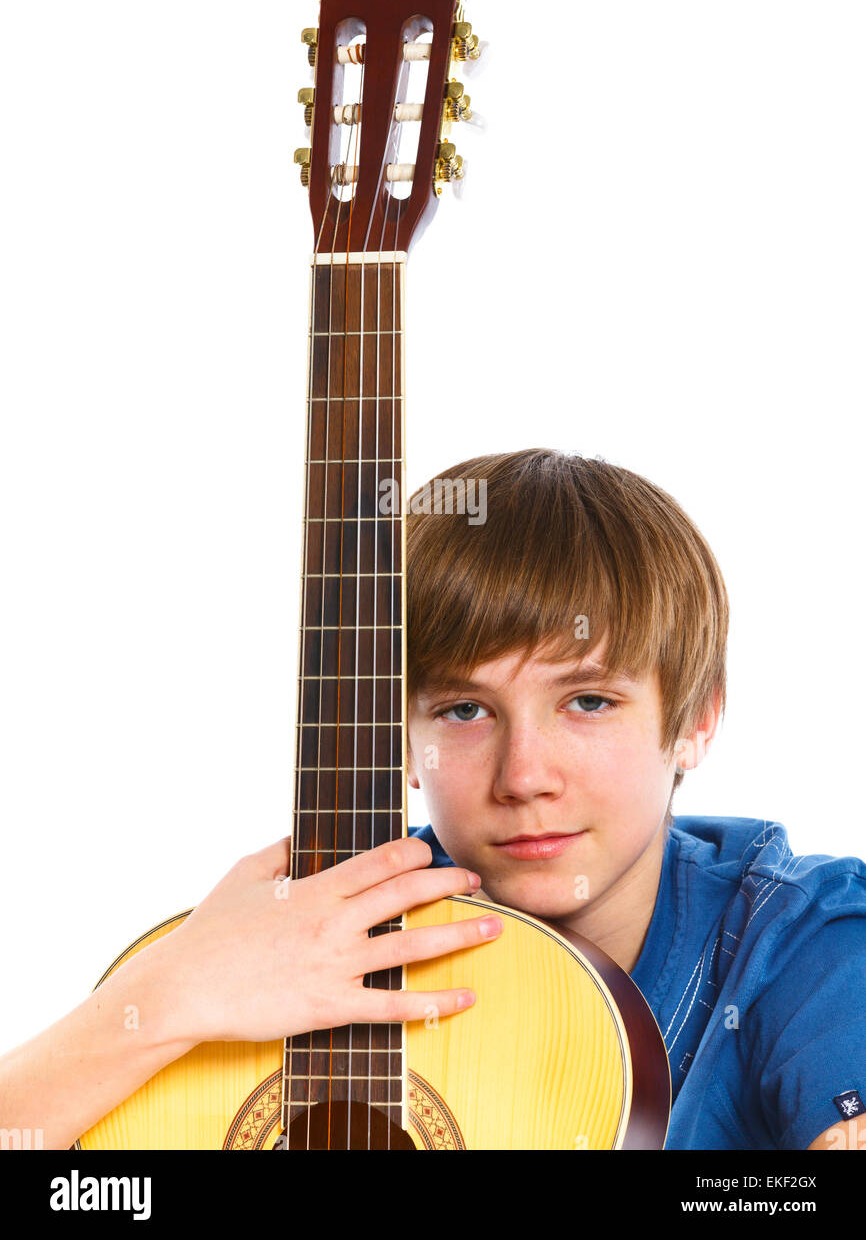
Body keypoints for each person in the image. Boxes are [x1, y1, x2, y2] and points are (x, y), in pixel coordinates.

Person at [1, 448, 863, 1151]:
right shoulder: (304, 933)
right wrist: (165, 996)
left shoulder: (801, 938)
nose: (524, 776)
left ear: (697, 719)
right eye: (463, 709)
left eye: (588, 702)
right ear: (397, 736)